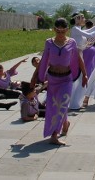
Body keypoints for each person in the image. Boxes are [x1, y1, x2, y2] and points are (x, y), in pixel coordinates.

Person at [38, 17, 87, 145]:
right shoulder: (49, 42)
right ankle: (65, 123)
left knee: (62, 103)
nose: (60, 34)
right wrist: (39, 77)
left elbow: (78, 58)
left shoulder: (72, 42)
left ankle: (54, 135)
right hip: (53, 79)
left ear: (67, 30)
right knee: (53, 106)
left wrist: (85, 75)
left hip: (66, 79)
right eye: (58, 31)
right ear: (54, 29)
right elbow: (44, 59)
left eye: (63, 31)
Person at [69, 12, 95, 110]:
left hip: (79, 54)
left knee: (80, 79)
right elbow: (91, 34)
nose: (84, 19)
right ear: (77, 19)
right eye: (82, 17)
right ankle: (74, 102)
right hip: (76, 56)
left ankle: (75, 101)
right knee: (79, 78)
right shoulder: (75, 29)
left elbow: (91, 30)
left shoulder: (78, 29)